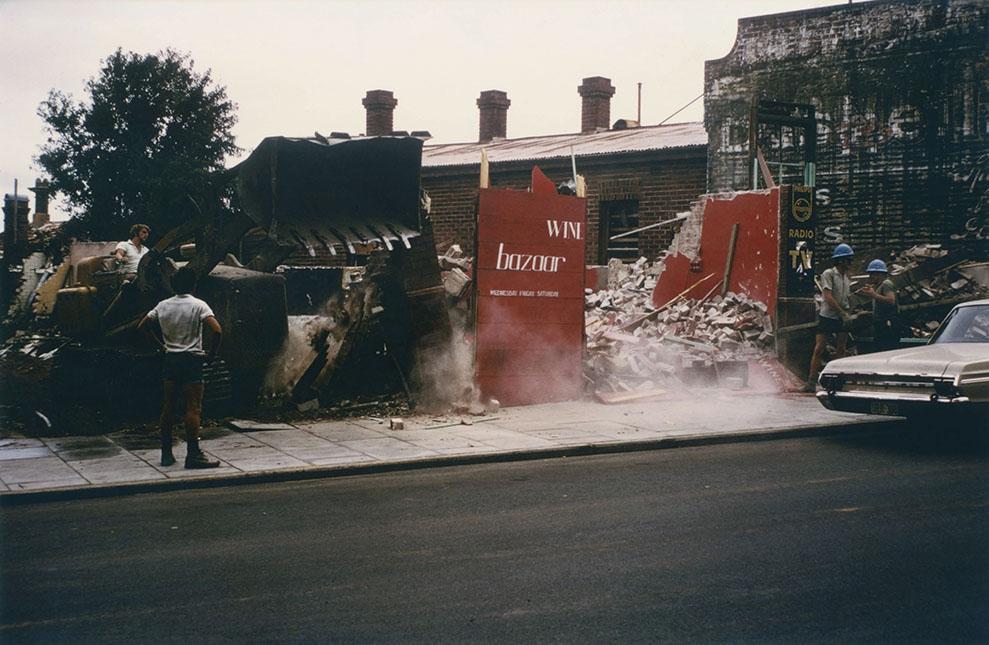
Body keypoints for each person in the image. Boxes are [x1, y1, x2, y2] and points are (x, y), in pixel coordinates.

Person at [138, 266, 222, 468]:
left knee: (168, 407)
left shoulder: (163, 305)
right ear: (193, 285)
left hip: (171, 359)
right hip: (192, 360)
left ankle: (166, 454)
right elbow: (217, 330)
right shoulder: (199, 305)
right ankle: (193, 456)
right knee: (193, 407)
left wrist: (161, 347)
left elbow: (142, 326)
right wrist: (211, 355)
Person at [805, 243, 854, 392]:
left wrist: (849, 311)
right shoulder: (829, 274)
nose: (850, 263)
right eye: (848, 260)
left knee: (841, 349)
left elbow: (847, 298)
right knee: (819, 348)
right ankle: (811, 382)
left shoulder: (846, 278)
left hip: (842, 316)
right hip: (828, 316)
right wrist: (842, 313)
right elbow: (827, 296)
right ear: (840, 260)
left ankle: (837, 381)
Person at [860, 259, 899, 352]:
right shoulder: (880, 286)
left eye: (872, 274)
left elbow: (891, 300)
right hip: (880, 323)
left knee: (886, 349)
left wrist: (873, 294)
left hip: (887, 323)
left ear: (880, 274)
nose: (870, 276)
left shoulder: (886, 284)